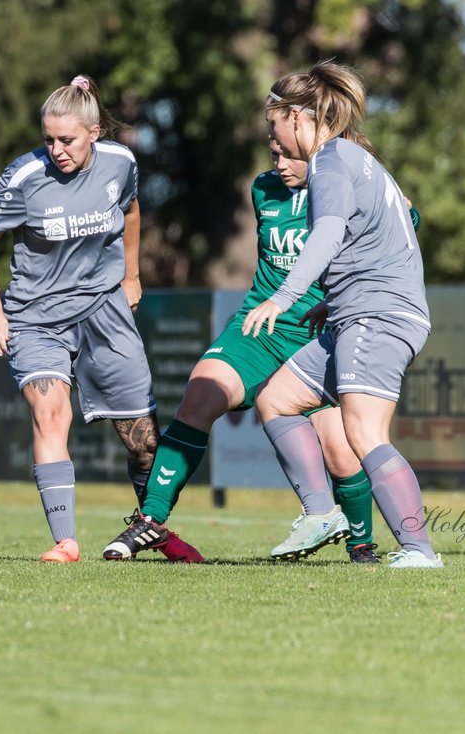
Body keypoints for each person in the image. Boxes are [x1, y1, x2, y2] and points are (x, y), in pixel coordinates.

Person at [103, 135, 420, 564]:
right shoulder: (263, 189)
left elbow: (399, 231)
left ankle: (360, 545)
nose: (281, 163)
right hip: (261, 325)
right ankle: (151, 519)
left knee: (343, 452)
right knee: (200, 392)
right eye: (275, 153)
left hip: (317, 331)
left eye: (291, 154)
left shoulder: (345, 187)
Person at [0, 75, 204, 564]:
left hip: (105, 309)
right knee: (51, 413)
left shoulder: (121, 163)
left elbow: (132, 210)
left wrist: (133, 274)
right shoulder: (23, 178)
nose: (56, 149)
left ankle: (153, 527)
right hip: (36, 318)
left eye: (67, 140)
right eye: (48, 139)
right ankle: (65, 540)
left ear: (94, 132)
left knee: (141, 438)